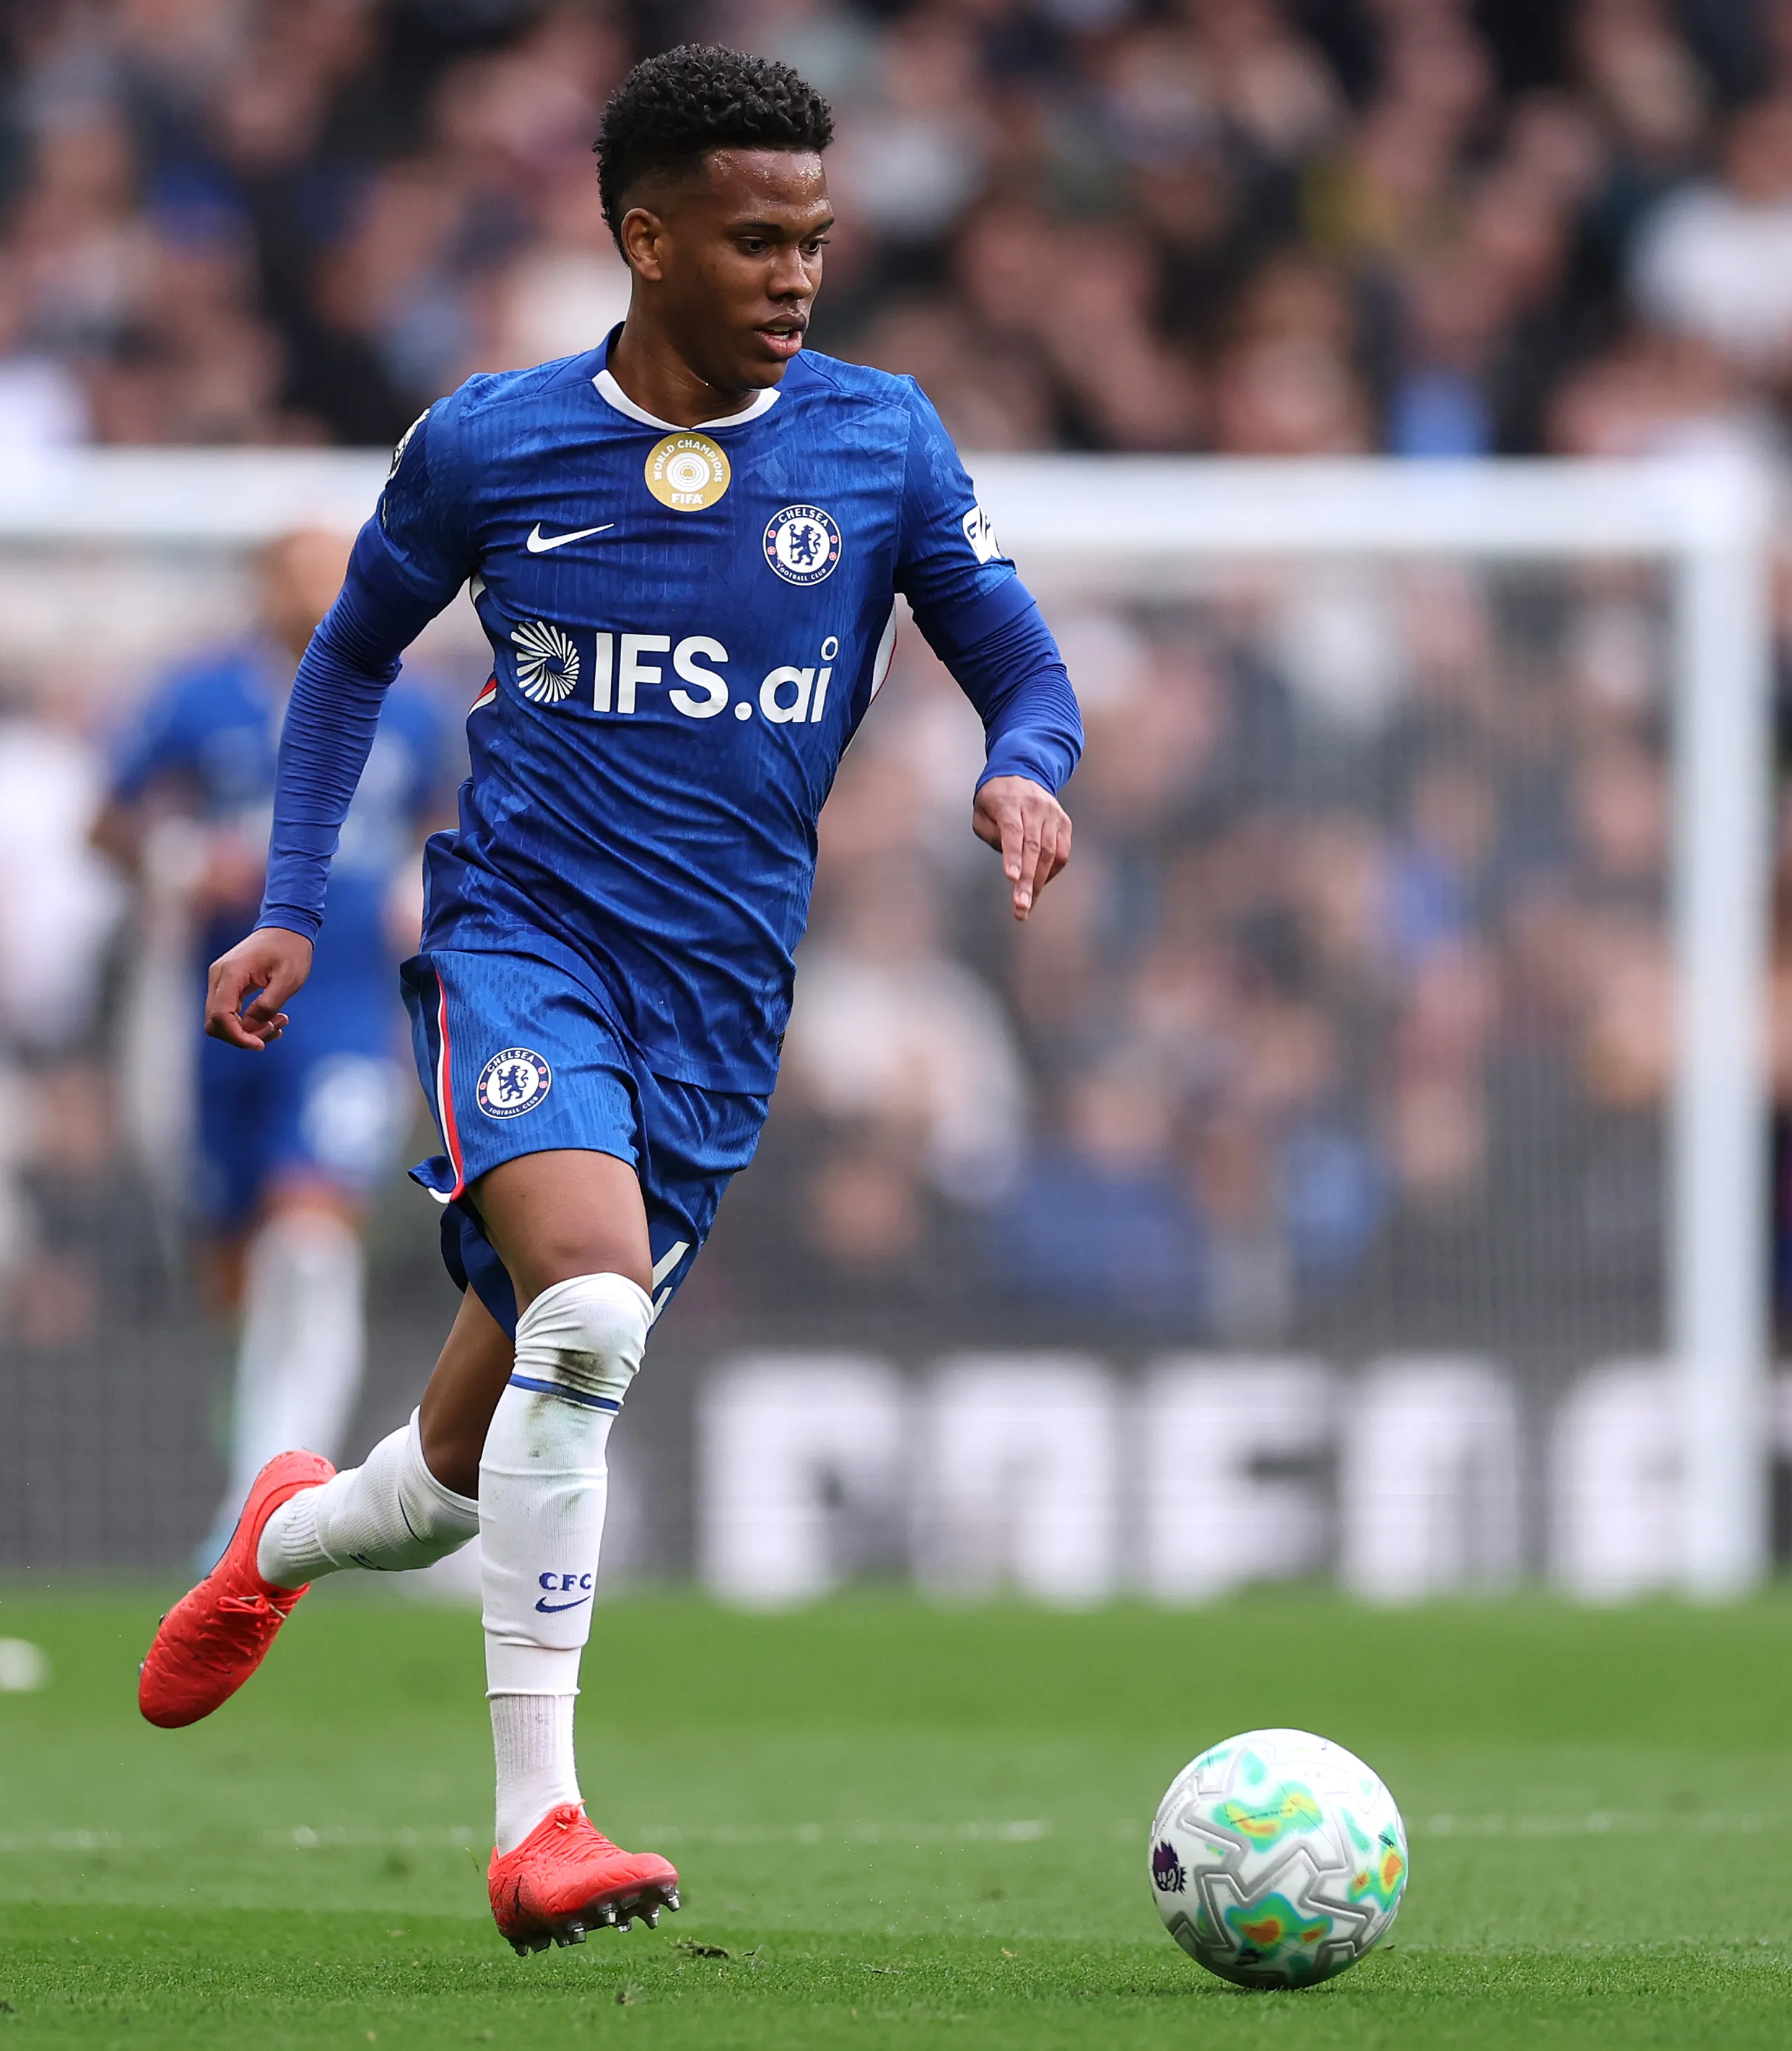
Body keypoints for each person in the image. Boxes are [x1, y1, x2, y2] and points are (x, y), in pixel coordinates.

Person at [131, 48, 1082, 1958]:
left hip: (717, 1012)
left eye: (816, 238)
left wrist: (1026, 766)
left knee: (451, 1479)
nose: (800, 274)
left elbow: (1022, 663)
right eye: (756, 239)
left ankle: (289, 1536)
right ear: (644, 239)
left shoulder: (882, 442)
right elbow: (342, 669)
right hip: (522, 946)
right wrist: (298, 902)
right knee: (582, 1304)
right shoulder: (490, 443)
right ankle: (540, 1823)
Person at [95, 528, 451, 1564]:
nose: (320, 586)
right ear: (261, 585)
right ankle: (260, 1436)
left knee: (311, 1232)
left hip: (347, 1008)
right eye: (299, 567)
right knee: (237, 1267)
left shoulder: (418, 703)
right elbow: (106, 824)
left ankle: (269, 1501)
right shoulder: (196, 698)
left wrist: (415, 893)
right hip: (219, 1010)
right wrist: (178, 859)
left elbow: (450, 819)